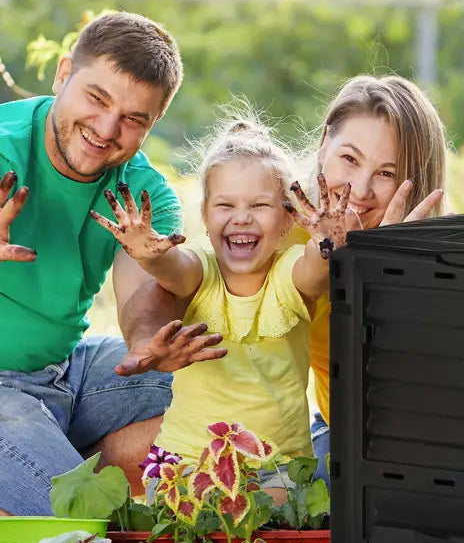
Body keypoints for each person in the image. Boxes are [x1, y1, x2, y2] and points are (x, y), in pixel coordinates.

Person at [0, 12, 221, 516]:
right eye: (97, 99)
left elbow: (142, 293)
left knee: (221, 386)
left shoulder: (143, 194)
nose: (106, 129)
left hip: (66, 371)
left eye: (134, 119)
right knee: (77, 526)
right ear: (62, 75)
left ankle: (37, 468)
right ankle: (51, 483)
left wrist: (146, 342)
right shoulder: (3, 145)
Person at [89, 113, 351, 477]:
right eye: (226, 206)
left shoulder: (287, 272)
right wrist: (149, 252)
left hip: (280, 467)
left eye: (259, 206)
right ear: (206, 217)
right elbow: (173, 268)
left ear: (288, 219)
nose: (241, 218)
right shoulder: (201, 269)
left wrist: (327, 239)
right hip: (187, 464)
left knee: (275, 523)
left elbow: (314, 270)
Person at [288, 75, 448, 483]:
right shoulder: (283, 234)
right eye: (350, 159)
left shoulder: (441, 259)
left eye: (387, 173)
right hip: (337, 439)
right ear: (324, 143)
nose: (360, 190)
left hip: (426, 447)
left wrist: (393, 277)